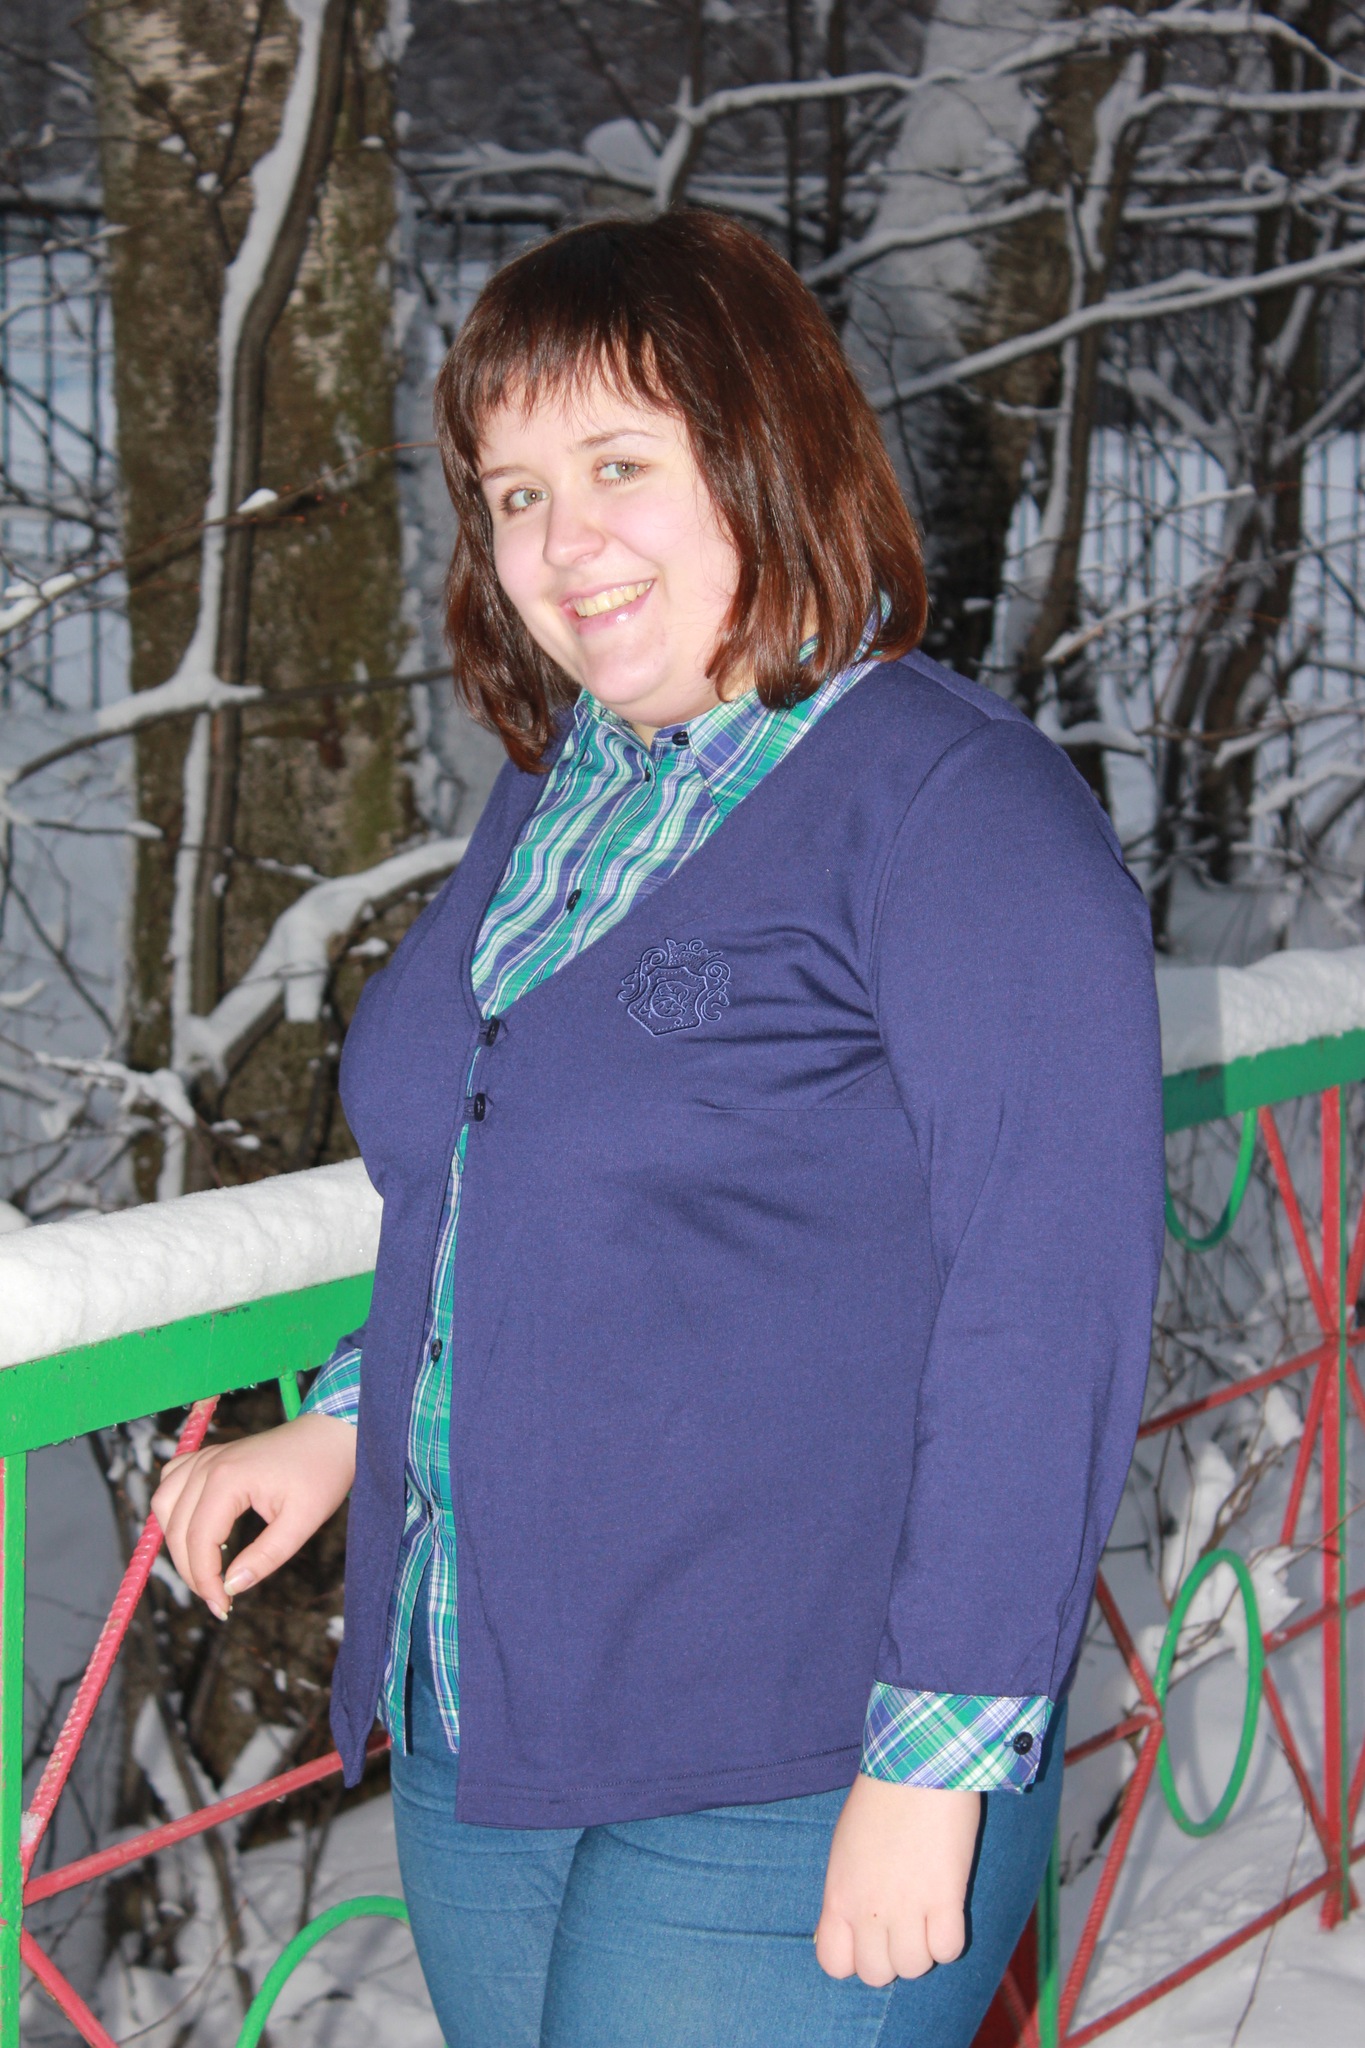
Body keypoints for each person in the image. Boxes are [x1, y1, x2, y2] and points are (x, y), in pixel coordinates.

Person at [153, 210, 1165, 2048]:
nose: (562, 544)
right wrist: (342, 1423)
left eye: (619, 463)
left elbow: (1048, 1313)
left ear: (767, 447)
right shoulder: (560, 793)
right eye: (514, 491)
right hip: (493, 1705)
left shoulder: (958, 812)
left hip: (802, 1743)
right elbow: (493, 1181)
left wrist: (932, 1761)